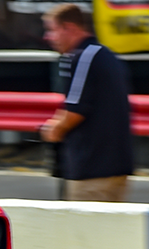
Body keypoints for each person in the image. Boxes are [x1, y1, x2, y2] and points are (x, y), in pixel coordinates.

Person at [40, 3, 134, 202]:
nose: (48, 37)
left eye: (52, 30)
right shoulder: (104, 54)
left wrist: (53, 129)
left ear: (70, 28)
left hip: (92, 169)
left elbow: (76, 110)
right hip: (114, 166)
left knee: (83, 231)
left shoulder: (84, 57)